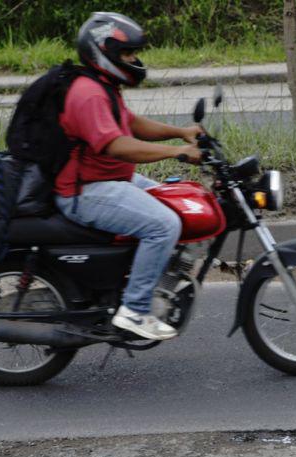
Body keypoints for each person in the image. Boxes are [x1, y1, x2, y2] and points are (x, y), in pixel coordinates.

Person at [55, 12, 204, 341]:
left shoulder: (103, 86)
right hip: (85, 191)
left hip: (107, 181)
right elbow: (117, 146)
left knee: (180, 201)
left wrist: (181, 131)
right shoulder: (89, 93)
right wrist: (176, 152)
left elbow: (131, 124)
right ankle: (135, 310)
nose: (134, 60)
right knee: (163, 225)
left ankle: (144, 280)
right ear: (103, 52)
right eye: (127, 54)